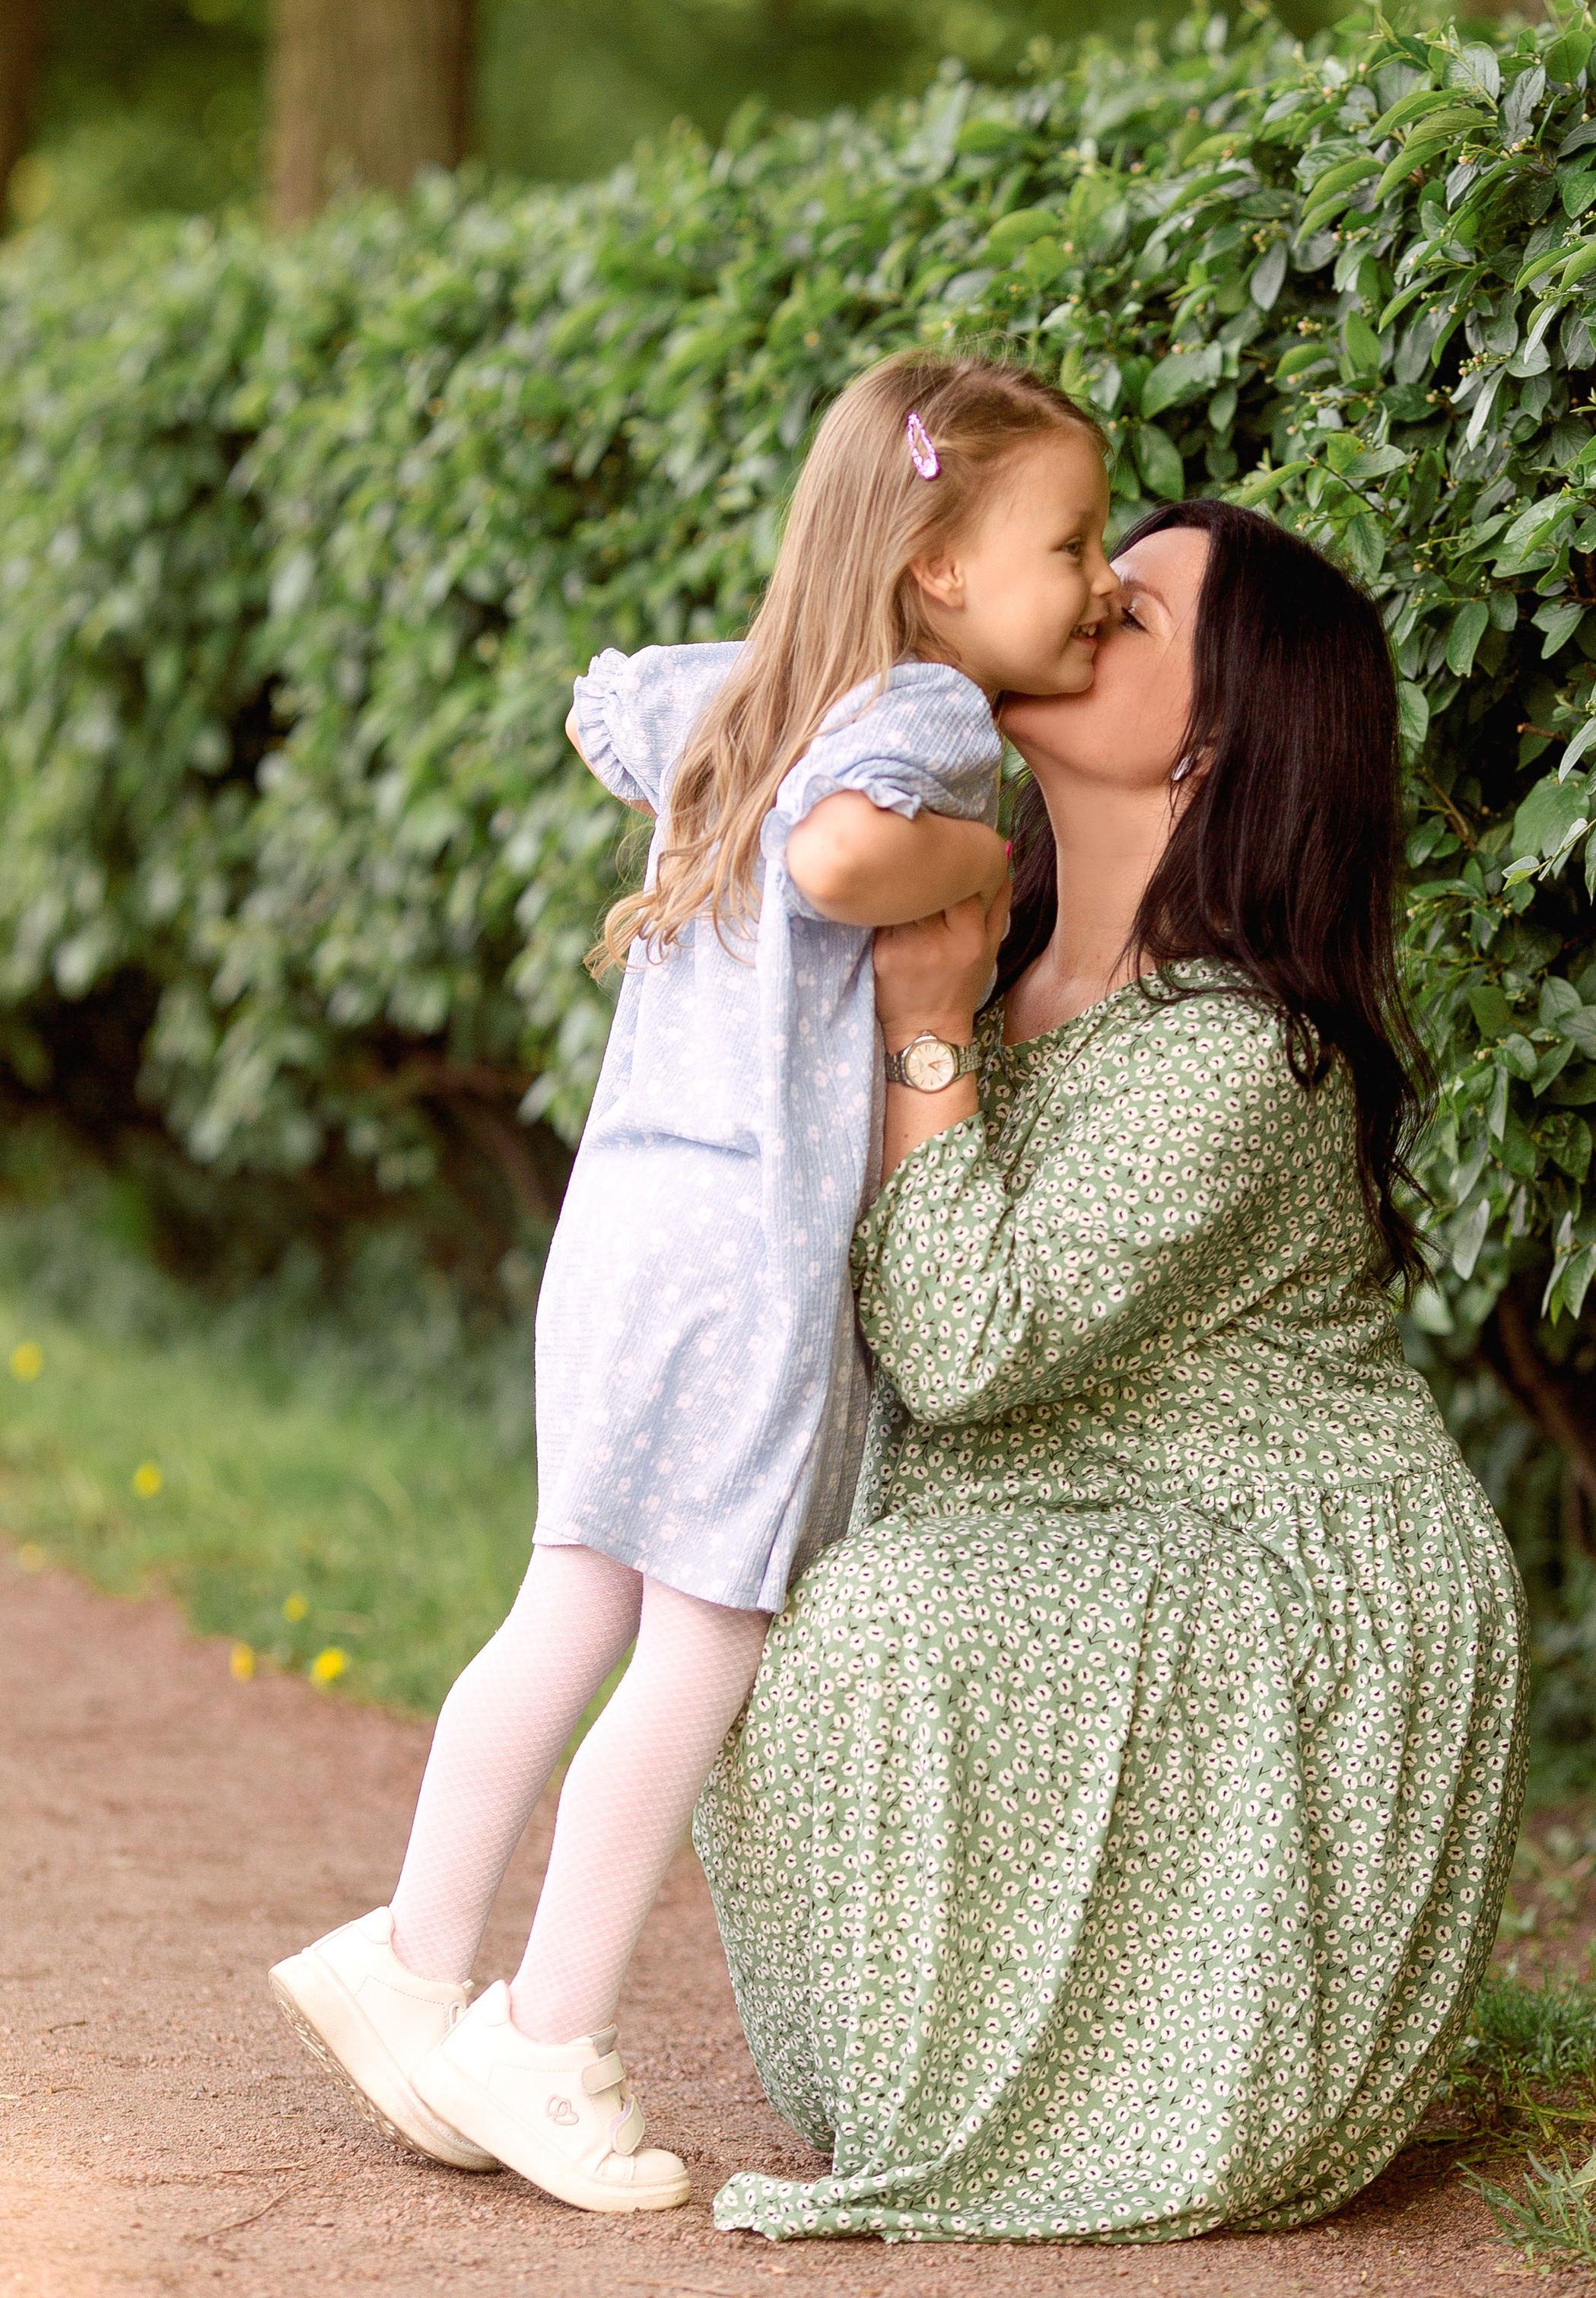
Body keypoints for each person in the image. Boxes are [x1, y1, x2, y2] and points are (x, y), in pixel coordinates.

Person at [269, 353, 1118, 2215]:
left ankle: (413, 1962)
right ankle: (543, 2041)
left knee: (567, 1604)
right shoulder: (927, 721)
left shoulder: (728, 698)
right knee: (702, 1644)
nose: (1099, 575)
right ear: (940, 568)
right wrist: (986, 858)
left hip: (627, 1218)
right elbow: (836, 863)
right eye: (1069, 540)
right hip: (745, 1246)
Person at [696, 498, 1530, 2244]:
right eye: (1087, 580)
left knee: (895, 1610)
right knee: (735, 1586)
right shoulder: (979, 959)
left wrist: (922, 1034)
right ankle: (951, 2068)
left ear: (1222, 736)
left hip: (1278, 1567)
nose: (1076, 610)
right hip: (1048, 1522)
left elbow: (966, 1344)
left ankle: (1127, 2091)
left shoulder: (1237, 1046)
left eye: (1132, 614)